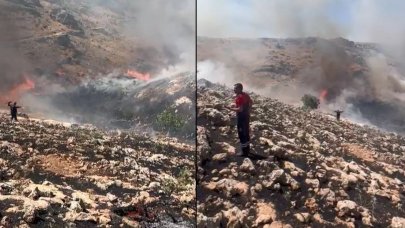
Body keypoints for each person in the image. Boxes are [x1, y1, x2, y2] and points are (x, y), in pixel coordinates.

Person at [227, 83, 253, 157]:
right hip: (247, 116)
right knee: (247, 132)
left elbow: (240, 109)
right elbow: (251, 102)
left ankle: (244, 152)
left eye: (235, 88)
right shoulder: (246, 94)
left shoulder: (239, 97)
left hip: (241, 117)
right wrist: (248, 110)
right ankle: (247, 149)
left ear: (239, 89)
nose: (234, 90)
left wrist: (230, 108)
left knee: (241, 133)